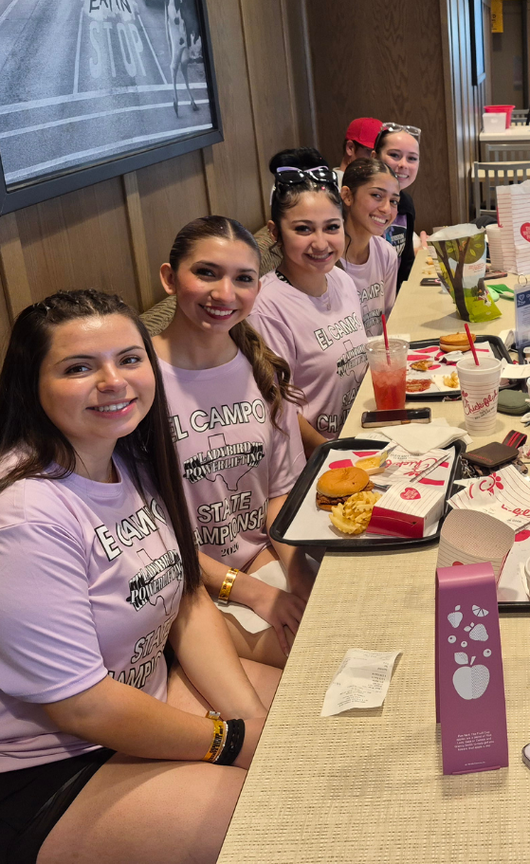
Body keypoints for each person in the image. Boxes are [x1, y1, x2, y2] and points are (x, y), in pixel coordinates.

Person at [0, 289, 278, 864]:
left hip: (143, 694)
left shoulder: (127, 455)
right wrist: (231, 742)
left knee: (309, 715)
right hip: (50, 761)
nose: (114, 381)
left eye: (129, 359)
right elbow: (82, 707)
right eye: (79, 367)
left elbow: (187, 602)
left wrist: (250, 721)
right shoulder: (25, 515)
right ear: (32, 385)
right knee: (266, 816)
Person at [153, 216, 312, 669]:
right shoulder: (138, 383)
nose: (225, 294)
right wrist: (254, 594)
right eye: (206, 273)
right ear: (169, 278)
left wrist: (300, 579)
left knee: (344, 618)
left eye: (242, 278)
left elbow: (280, 494)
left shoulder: (261, 370)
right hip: (185, 586)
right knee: (312, 660)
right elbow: (156, 539)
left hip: (261, 555)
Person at [249, 149, 368, 455]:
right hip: (320, 458)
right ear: (276, 233)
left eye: (331, 227)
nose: (320, 243)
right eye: (303, 229)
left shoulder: (341, 279)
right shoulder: (266, 308)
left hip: (362, 435)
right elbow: (279, 409)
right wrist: (334, 454)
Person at [339, 157, 400, 337]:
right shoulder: (326, 260)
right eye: (377, 196)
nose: (386, 209)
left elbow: (388, 318)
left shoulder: (386, 253)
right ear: (347, 196)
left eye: (394, 201)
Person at [375, 123, 421, 289]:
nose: (403, 164)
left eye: (412, 158)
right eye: (394, 155)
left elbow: (406, 261)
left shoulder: (406, 202)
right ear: (375, 157)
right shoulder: (361, 205)